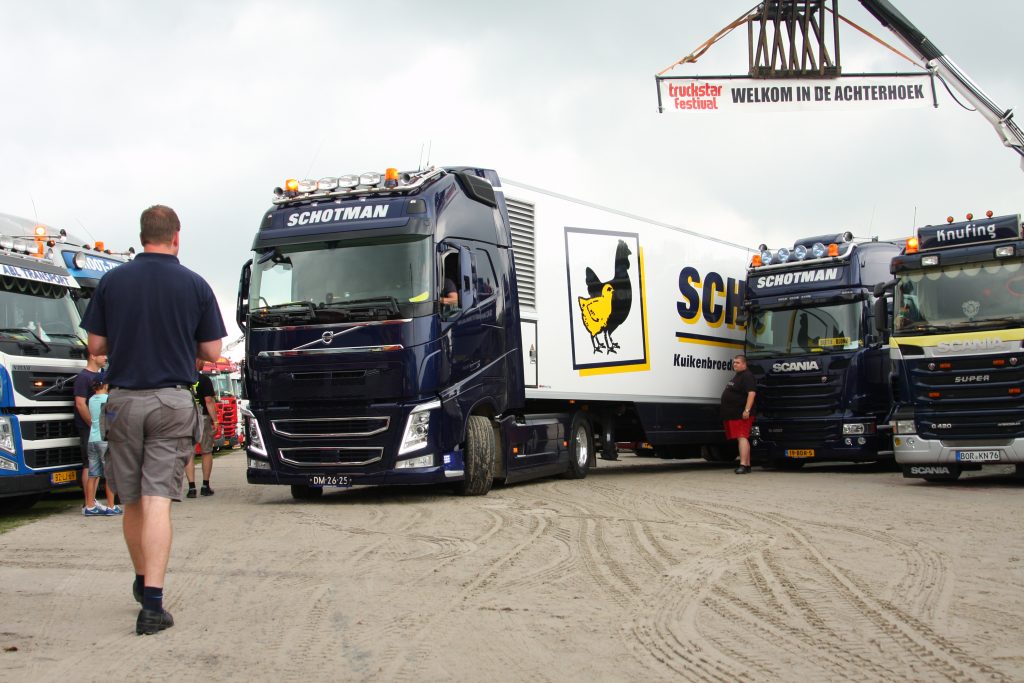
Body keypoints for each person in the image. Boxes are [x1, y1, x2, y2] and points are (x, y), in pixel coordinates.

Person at [81, 205, 226, 636]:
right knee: (158, 497)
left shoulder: (112, 281)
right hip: (172, 401)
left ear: (142, 235)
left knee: (131, 499)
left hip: (123, 399)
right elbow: (214, 352)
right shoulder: (195, 284)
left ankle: (143, 581)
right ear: (176, 237)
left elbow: (96, 343)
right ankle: (154, 605)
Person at [74, 352, 112, 516]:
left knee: (94, 466)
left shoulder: (102, 375)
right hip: (88, 427)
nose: (106, 358)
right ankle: (88, 501)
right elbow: (80, 404)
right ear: (92, 355)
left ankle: (92, 501)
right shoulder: (83, 377)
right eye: (102, 354)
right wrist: (93, 423)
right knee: (88, 465)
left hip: (98, 428)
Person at [185, 360, 219, 498]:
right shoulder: (204, 380)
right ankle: (205, 486)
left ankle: (191, 488)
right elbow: (209, 401)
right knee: (206, 451)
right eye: (201, 360)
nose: (203, 363)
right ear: (197, 362)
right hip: (202, 417)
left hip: (186, 418)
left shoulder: (182, 380)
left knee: (189, 453)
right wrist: (215, 420)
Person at [87, 380, 120, 514]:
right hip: (105, 439)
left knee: (93, 474)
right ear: (106, 385)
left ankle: (89, 505)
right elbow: (112, 419)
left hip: (92, 438)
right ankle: (111, 506)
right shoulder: (108, 399)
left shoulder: (91, 399)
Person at [720, 354, 757, 474]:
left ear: (744, 364)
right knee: (741, 438)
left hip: (741, 414)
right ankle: (747, 464)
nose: (734, 364)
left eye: (737, 362)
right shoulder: (738, 376)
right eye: (734, 362)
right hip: (733, 414)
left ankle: (743, 465)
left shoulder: (747, 376)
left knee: (742, 437)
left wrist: (746, 410)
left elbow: (752, 394)